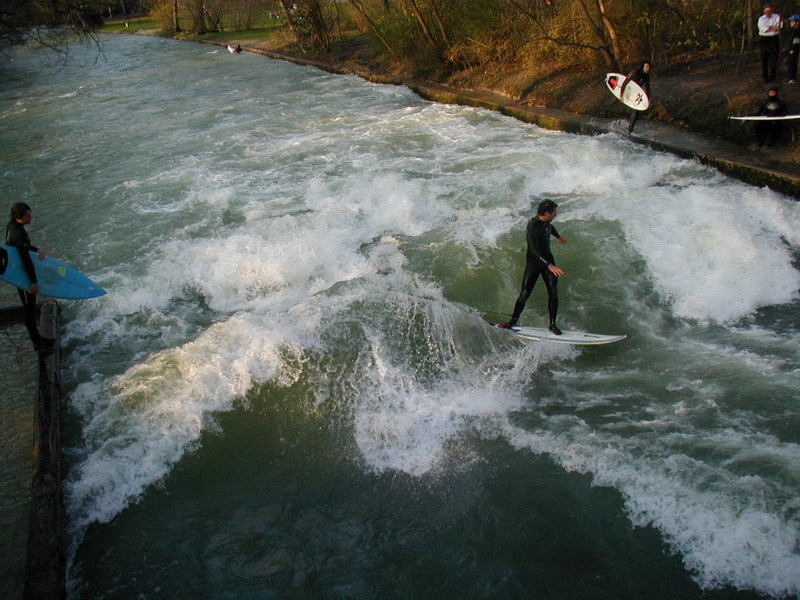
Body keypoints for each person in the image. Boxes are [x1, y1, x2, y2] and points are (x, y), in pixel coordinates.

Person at [500, 200, 567, 335]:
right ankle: (512, 322)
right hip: (535, 262)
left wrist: (558, 237)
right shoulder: (533, 226)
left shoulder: (547, 222)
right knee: (525, 293)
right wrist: (549, 265)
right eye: (554, 213)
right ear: (547, 213)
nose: (556, 215)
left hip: (548, 260)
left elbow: (550, 227)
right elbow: (533, 249)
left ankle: (552, 325)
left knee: (553, 292)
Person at [5, 202, 53, 353]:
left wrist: (36, 249)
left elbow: (23, 247)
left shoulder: (13, 226)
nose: (30, 218)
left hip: (21, 272)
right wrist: (33, 282)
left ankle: (39, 339)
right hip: (22, 277)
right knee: (29, 311)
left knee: (30, 309)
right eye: (27, 216)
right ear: (18, 218)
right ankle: (37, 345)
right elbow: (25, 260)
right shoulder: (17, 233)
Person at [620, 60, 651, 134]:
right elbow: (625, 83)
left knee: (638, 111)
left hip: (636, 93)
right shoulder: (634, 73)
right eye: (646, 67)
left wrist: (649, 99)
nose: (648, 69)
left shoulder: (646, 76)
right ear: (642, 67)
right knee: (635, 110)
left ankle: (630, 127)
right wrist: (621, 95)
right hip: (628, 90)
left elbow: (648, 88)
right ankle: (630, 129)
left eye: (649, 67)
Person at [758, 3, 782, 82]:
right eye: (766, 11)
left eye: (769, 11)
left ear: (772, 10)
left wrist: (769, 27)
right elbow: (763, 29)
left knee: (774, 59)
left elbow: (779, 26)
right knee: (764, 59)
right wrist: (773, 27)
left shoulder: (777, 16)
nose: (768, 13)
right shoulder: (761, 19)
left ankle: (773, 77)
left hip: (774, 39)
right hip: (764, 40)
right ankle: (765, 77)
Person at [786, 15, 800, 83]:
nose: (791, 23)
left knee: (791, 63)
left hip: (793, 49)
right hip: (792, 49)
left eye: (792, 21)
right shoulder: (794, 30)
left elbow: (796, 41)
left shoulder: (797, 30)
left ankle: (792, 78)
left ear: (797, 22)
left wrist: (792, 49)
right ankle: (792, 78)